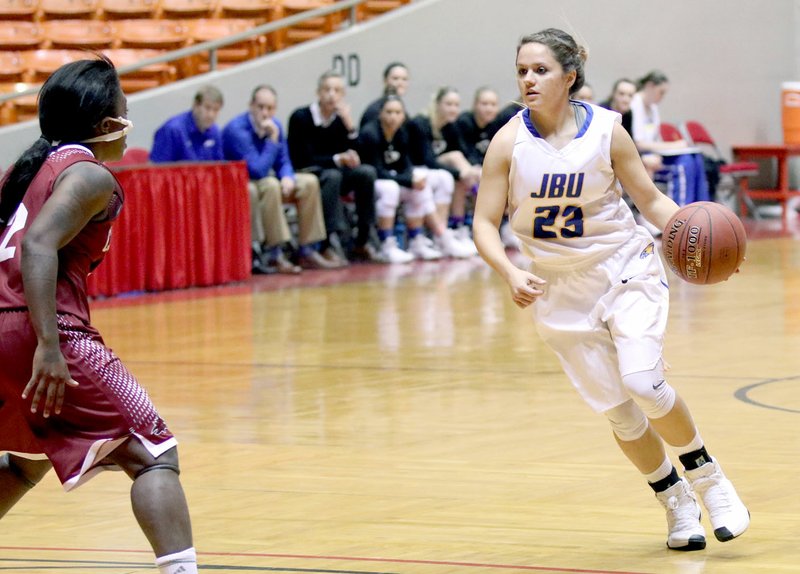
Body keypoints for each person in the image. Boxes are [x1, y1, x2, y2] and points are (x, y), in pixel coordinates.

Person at [473, 28, 750, 552]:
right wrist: (510, 272)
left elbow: (651, 201)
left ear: (569, 75)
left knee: (644, 384)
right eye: (522, 71)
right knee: (621, 414)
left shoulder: (607, 131)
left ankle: (710, 479)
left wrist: (705, 240)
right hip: (557, 289)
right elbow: (484, 223)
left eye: (540, 70)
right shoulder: (507, 142)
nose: (528, 80)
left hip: (625, 268)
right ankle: (674, 500)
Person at [0, 57, 198, 574]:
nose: (129, 124)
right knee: (154, 455)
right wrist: (47, 345)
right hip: (46, 330)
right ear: (105, 126)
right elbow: (38, 245)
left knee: (25, 459)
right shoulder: (90, 174)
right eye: (125, 113)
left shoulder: (22, 173)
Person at [222, 85, 343, 274]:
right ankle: (275, 252)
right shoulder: (237, 129)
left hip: (264, 177)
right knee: (270, 186)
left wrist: (287, 176)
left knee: (309, 182)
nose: (264, 113)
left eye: (269, 108)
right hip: (243, 180)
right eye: (260, 107)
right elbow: (257, 170)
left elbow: (284, 160)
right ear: (250, 106)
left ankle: (307, 248)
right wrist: (272, 141)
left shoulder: (275, 125)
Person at [358, 95, 474, 262]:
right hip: (373, 183)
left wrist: (413, 179)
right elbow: (377, 170)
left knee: (421, 185)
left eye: (397, 112)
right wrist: (408, 180)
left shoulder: (401, 132)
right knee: (391, 188)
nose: (393, 117)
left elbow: (406, 164)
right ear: (380, 114)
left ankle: (418, 241)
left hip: (393, 177)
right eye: (389, 112)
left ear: (403, 115)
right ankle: (387, 245)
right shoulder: (371, 133)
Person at [288, 70, 379, 262]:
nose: (332, 95)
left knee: (366, 173)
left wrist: (351, 128)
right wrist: (339, 159)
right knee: (333, 176)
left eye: (337, 90)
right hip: (311, 174)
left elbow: (360, 155)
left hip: (335, 174)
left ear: (343, 95)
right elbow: (303, 158)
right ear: (318, 92)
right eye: (327, 89)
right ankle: (327, 243)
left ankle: (363, 239)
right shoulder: (301, 117)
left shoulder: (340, 120)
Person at [407, 87, 480, 253]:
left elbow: (465, 152)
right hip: (417, 169)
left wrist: (467, 171)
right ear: (437, 104)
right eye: (449, 104)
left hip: (437, 171)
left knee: (459, 173)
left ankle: (457, 229)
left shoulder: (450, 126)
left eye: (456, 105)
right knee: (452, 169)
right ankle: (442, 236)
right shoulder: (421, 123)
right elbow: (427, 160)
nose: (453, 109)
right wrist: (459, 173)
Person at [630, 70, 709, 205]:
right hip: (638, 156)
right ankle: (681, 211)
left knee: (696, 159)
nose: (662, 97)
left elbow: (654, 140)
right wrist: (673, 145)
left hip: (654, 153)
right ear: (650, 86)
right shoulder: (634, 104)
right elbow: (639, 143)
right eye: (661, 92)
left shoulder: (653, 108)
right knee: (684, 164)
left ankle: (702, 207)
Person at [149, 85, 225, 163]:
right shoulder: (172, 131)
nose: (211, 115)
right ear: (195, 105)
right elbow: (156, 171)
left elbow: (218, 169)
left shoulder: (215, 132)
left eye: (216, 110)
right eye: (207, 108)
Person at [360, 61, 410, 129]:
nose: (400, 83)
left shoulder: (402, 110)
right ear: (385, 80)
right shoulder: (375, 111)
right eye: (395, 78)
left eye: (404, 79)